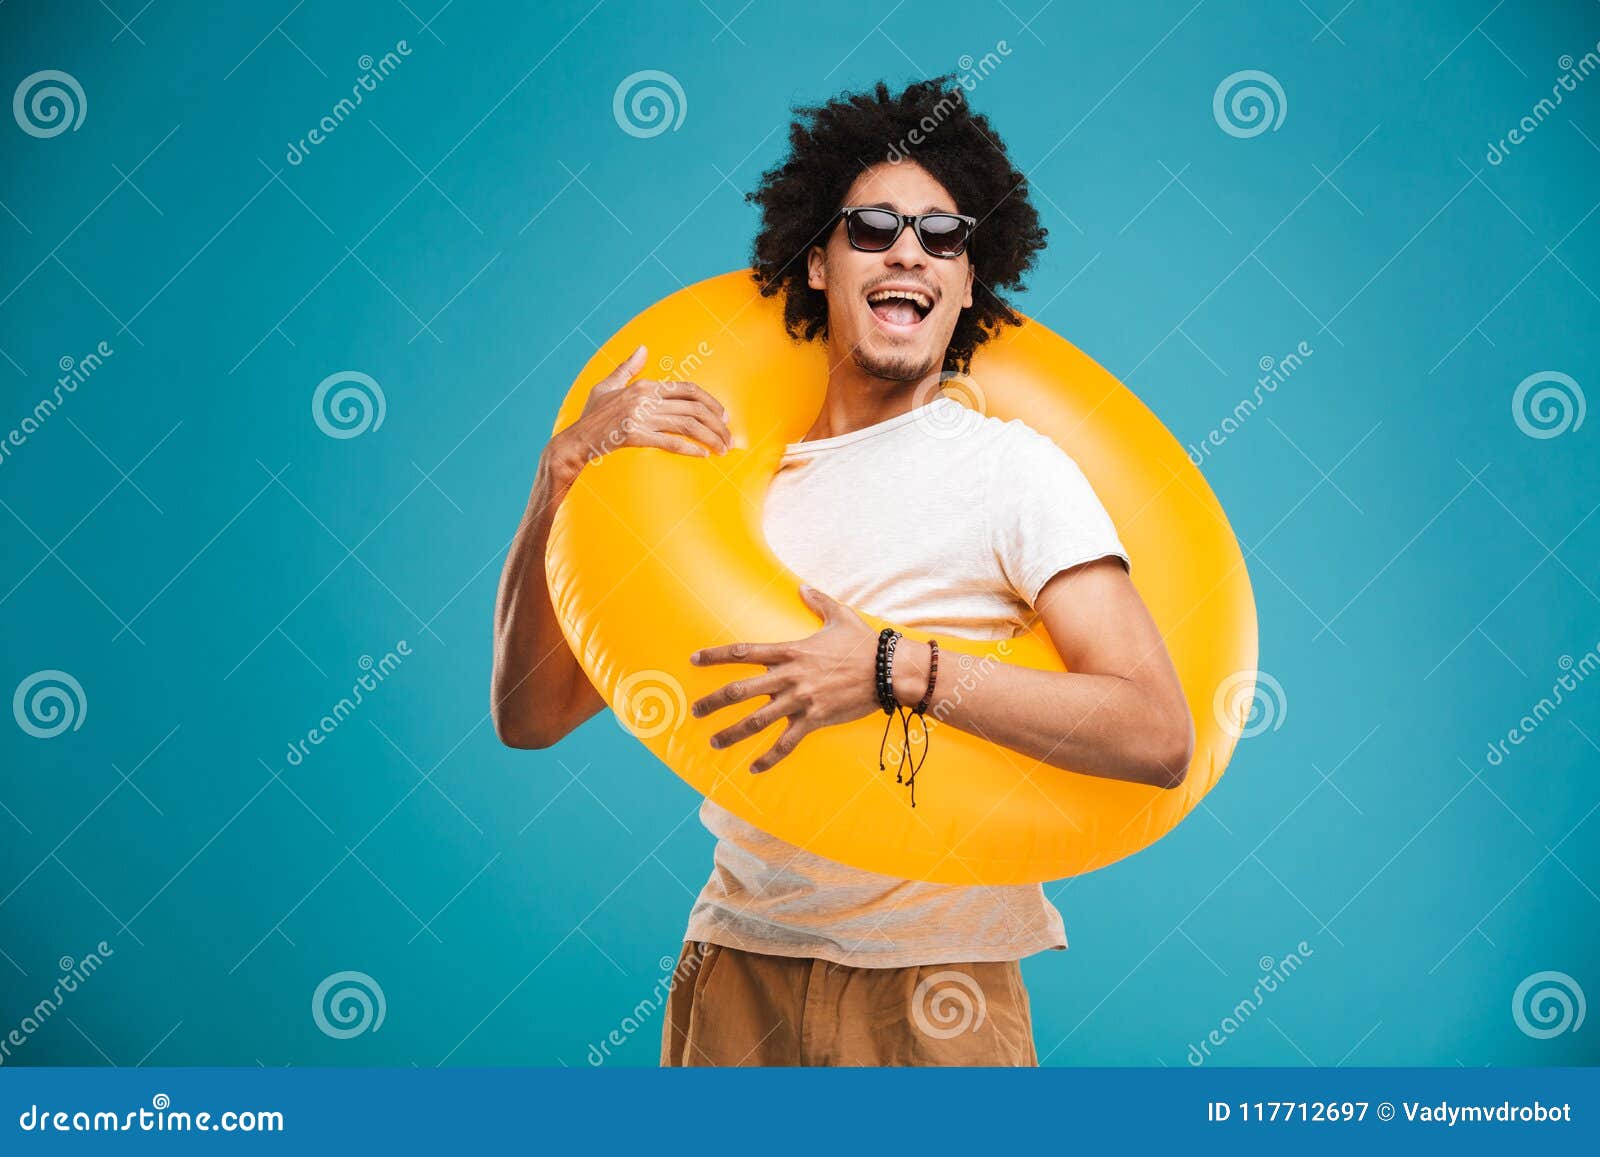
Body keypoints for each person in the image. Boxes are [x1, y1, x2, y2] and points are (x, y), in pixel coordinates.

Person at [491, 77, 1193, 1067]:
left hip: (936, 986)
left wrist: (897, 666)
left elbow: (1157, 732)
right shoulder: (724, 489)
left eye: (941, 235)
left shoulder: (1012, 471)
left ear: (966, 279)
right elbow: (529, 717)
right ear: (817, 261)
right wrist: (556, 479)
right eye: (871, 225)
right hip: (739, 963)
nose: (907, 248)